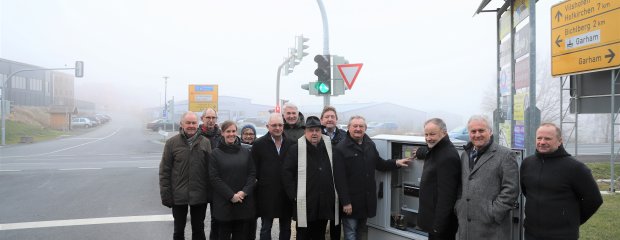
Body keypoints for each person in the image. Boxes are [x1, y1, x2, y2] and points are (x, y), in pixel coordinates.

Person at [333, 115, 412, 240]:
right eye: (355, 126)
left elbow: (379, 163)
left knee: (361, 232)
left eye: (361, 126)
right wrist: (346, 202)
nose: (358, 129)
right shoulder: (340, 149)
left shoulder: (369, 144)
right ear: (348, 128)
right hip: (351, 202)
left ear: (365, 128)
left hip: (366, 200)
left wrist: (396, 162)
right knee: (350, 233)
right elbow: (339, 179)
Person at [521, 123, 603, 240]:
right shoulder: (527, 164)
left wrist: (573, 221)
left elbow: (594, 200)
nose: (542, 142)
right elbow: (527, 192)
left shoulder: (575, 168)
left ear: (560, 141)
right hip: (531, 234)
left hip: (563, 235)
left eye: (548, 138)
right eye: (539, 138)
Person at [455, 115, 519, 240]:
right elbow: (461, 184)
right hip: (465, 226)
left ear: (490, 131)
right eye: (473, 131)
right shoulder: (465, 154)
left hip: (491, 228)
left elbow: (511, 190)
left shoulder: (506, 155)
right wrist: (459, 205)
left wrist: (494, 212)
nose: (477, 134)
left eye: (481, 130)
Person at [282, 116, 339, 240]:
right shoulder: (295, 149)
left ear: (321, 132)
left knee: (320, 234)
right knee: (303, 235)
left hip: (324, 203)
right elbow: (287, 174)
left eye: (317, 130)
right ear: (305, 131)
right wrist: (294, 195)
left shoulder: (329, 149)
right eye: (311, 130)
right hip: (305, 203)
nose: (314, 133)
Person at [159, 111, 212, 240]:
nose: (191, 125)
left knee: (199, 230)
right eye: (188, 122)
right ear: (181, 124)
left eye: (194, 123)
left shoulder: (205, 142)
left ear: (198, 124)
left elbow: (210, 171)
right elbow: (165, 170)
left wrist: (210, 194)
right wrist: (166, 195)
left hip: (199, 195)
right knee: (178, 231)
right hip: (178, 196)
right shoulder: (171, 143)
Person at [209, 120, 257, 240]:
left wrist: (243, 192)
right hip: (224, 204)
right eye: (228, 131)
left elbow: (252, 174)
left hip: (243, 203)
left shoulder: (245, 152)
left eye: (233, 131)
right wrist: (231, 195)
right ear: (222, 133)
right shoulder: (215, 154)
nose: (231, 134)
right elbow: (214, 178)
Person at [252, 113, 295, 240]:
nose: (277, 128)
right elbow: (254, 169)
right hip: (266, 193)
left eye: (280, 125)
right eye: (274, 125)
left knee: (286, 228)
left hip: (286, 194)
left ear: (283, 126)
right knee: (266, 227)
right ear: (267, 126)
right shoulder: (259, 144)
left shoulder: (291, 144)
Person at [417, 118, 460, 240]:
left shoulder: (447, 156)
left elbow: (447, 196)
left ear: (444, 133)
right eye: (426, 134)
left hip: (441, 225)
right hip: (433, 220)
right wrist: (421, 152)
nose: (428, 138)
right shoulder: (438, 149)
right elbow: (429, 150)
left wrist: (438, 226)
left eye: (432, 134)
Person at [319, 106, 346, 240]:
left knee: (336, 221)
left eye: (332, 117)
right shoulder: (315, 134)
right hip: (322, 185)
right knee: (321, 220)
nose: (330, 119)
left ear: (336, 119)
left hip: (339, 183)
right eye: (327, 117)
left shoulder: (345, 135)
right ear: (321, 120)